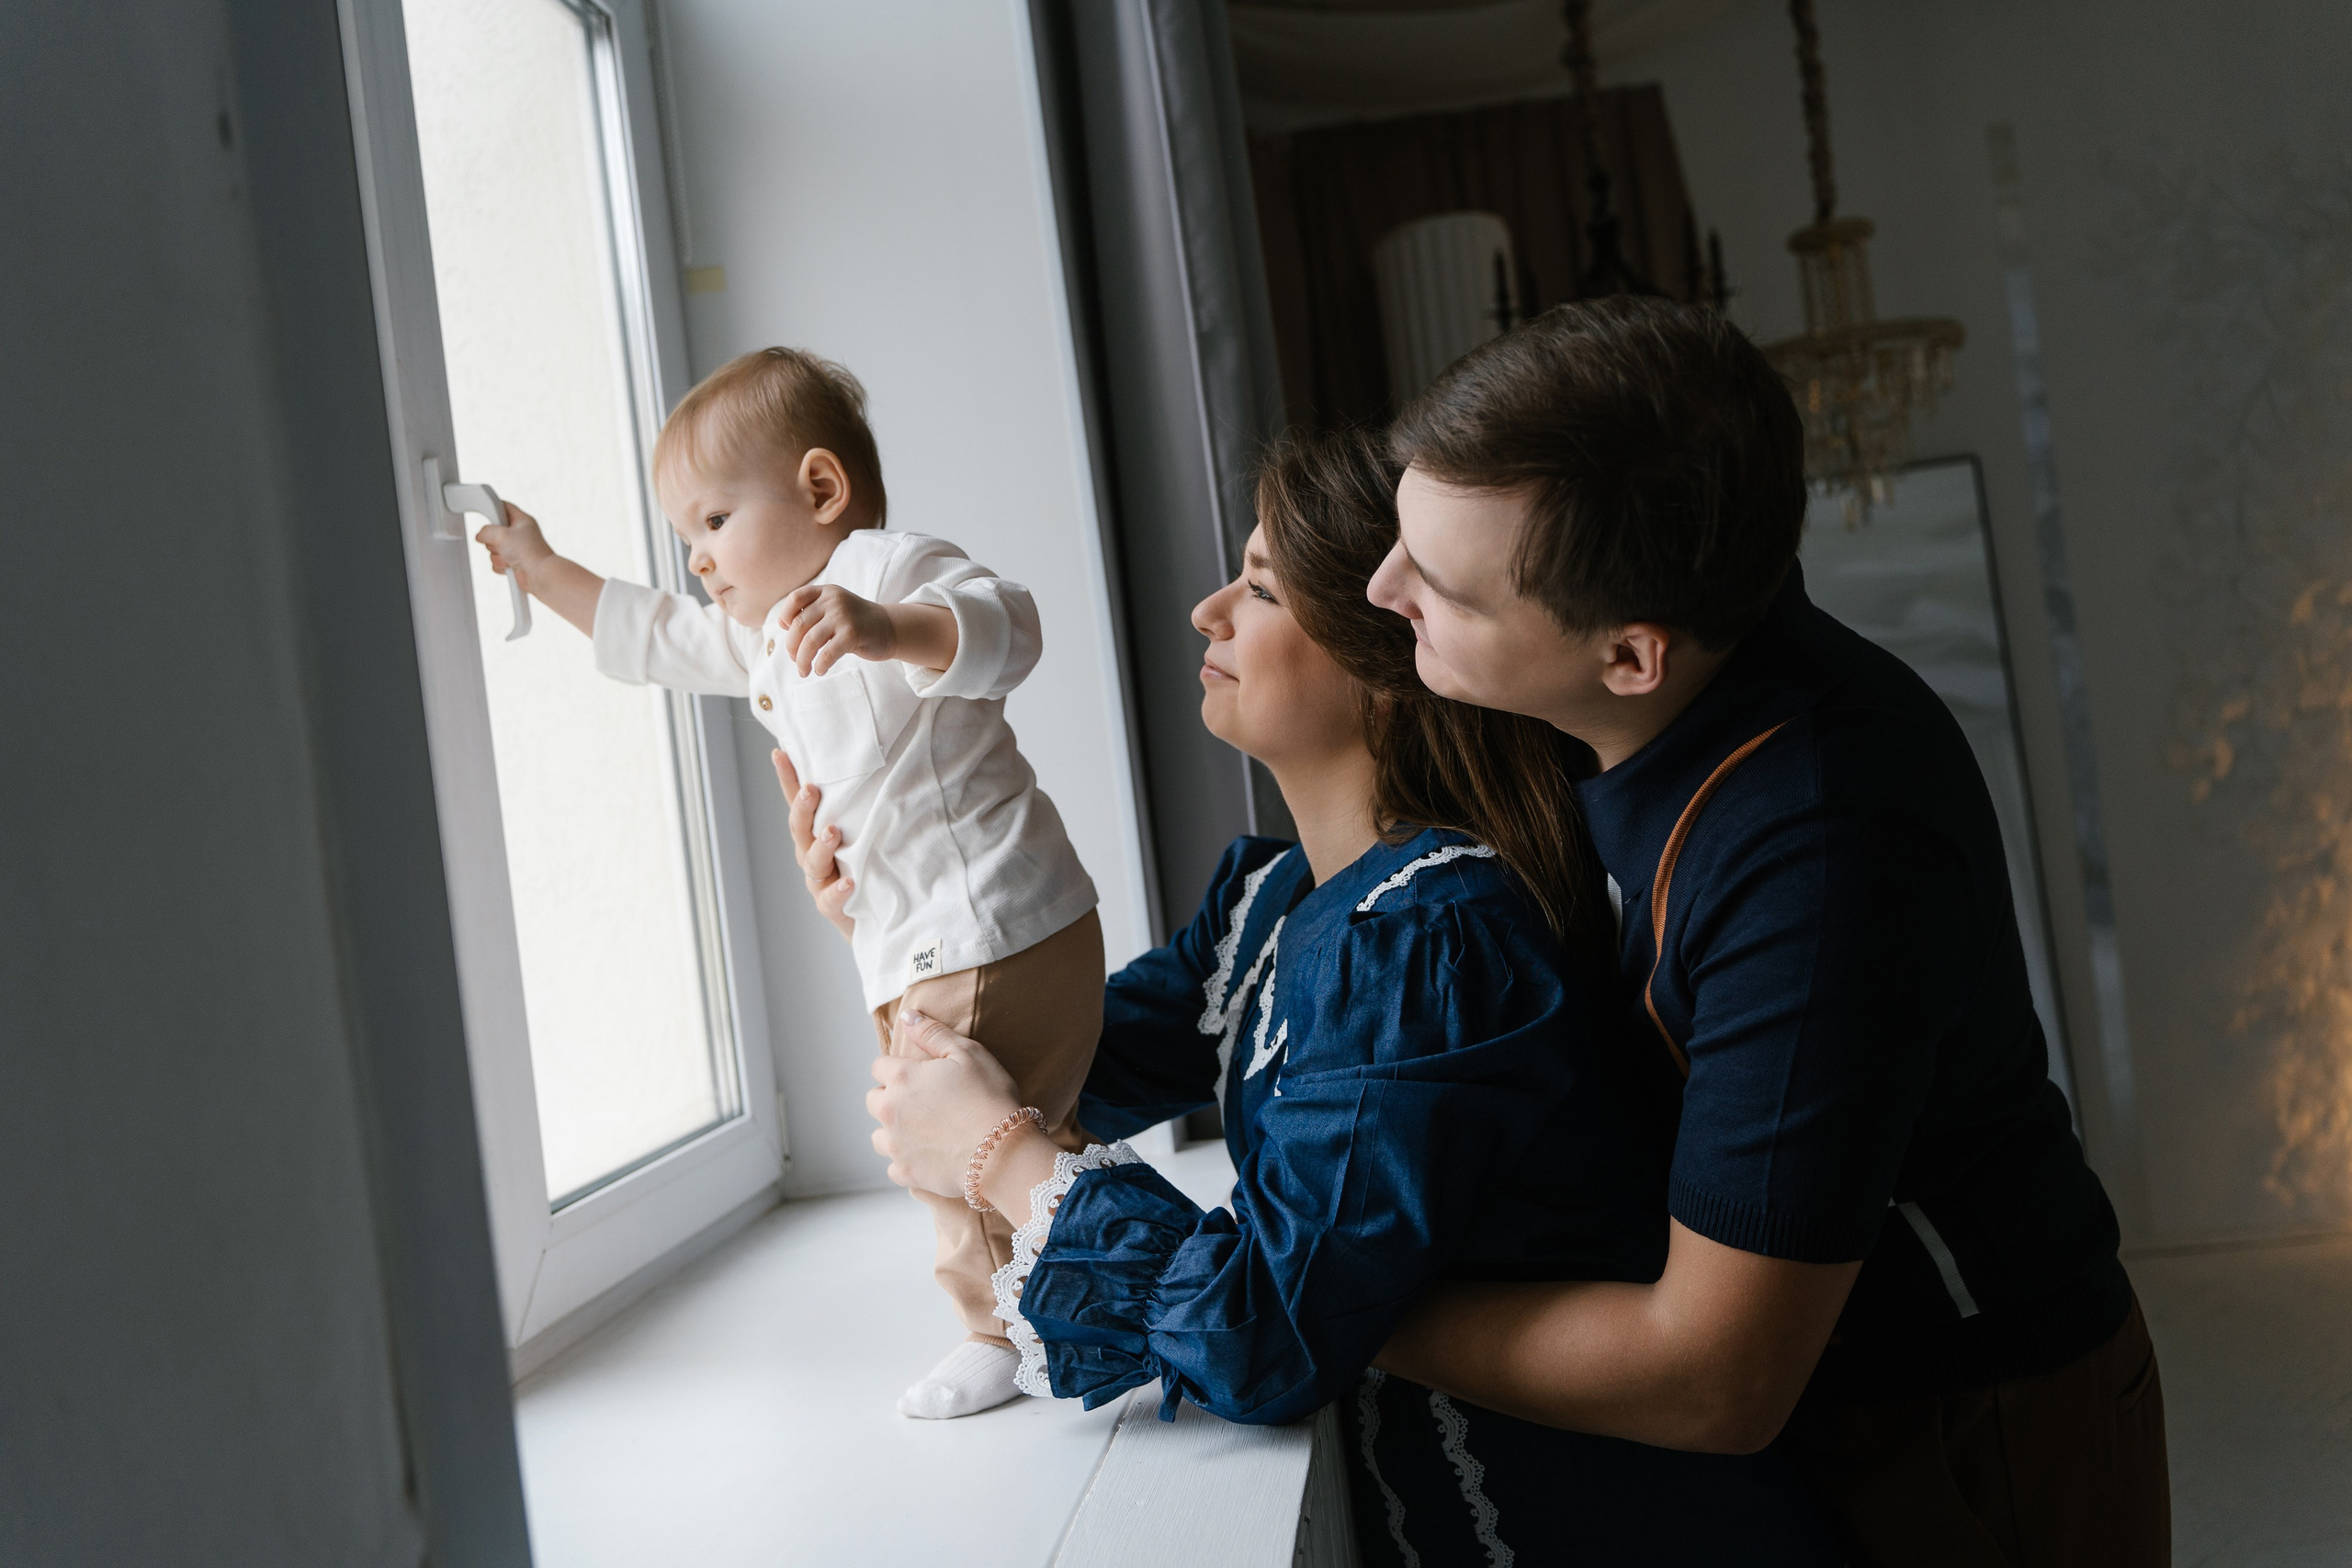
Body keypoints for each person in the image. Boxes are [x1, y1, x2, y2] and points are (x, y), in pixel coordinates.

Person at [843, 428, 1842, 1563]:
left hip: (1586, 1524)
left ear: (1388, 657)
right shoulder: (1270, 906)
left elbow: (1259, 1332)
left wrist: (999, 1157)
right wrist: (888, 901)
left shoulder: (1437, 934)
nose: (1208, 611)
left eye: (1262, 587)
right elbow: (1061, 1062)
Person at [1363, 298, 2169, 1566]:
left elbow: (1715, 1374)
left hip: (1968, 1415)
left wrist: (1342, 1309)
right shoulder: (1611, 697)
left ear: (1632, 653)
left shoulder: (1822, 841)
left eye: (1438, 584)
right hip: (1818, 1392)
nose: (1381, 587)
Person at [472, 346, 1101, 1421]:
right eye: (686, 541)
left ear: (819, 489)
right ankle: (1080, 1292)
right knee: (1024, 1128)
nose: (701, 563)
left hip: (983, 929)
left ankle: (998, 1332)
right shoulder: (763, 641)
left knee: (943, 1140)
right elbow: (658, 634)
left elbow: (1011, 627)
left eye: (714, 524)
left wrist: (888, 627)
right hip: (932, 941)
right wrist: (542, 569)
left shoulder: (888, 571)